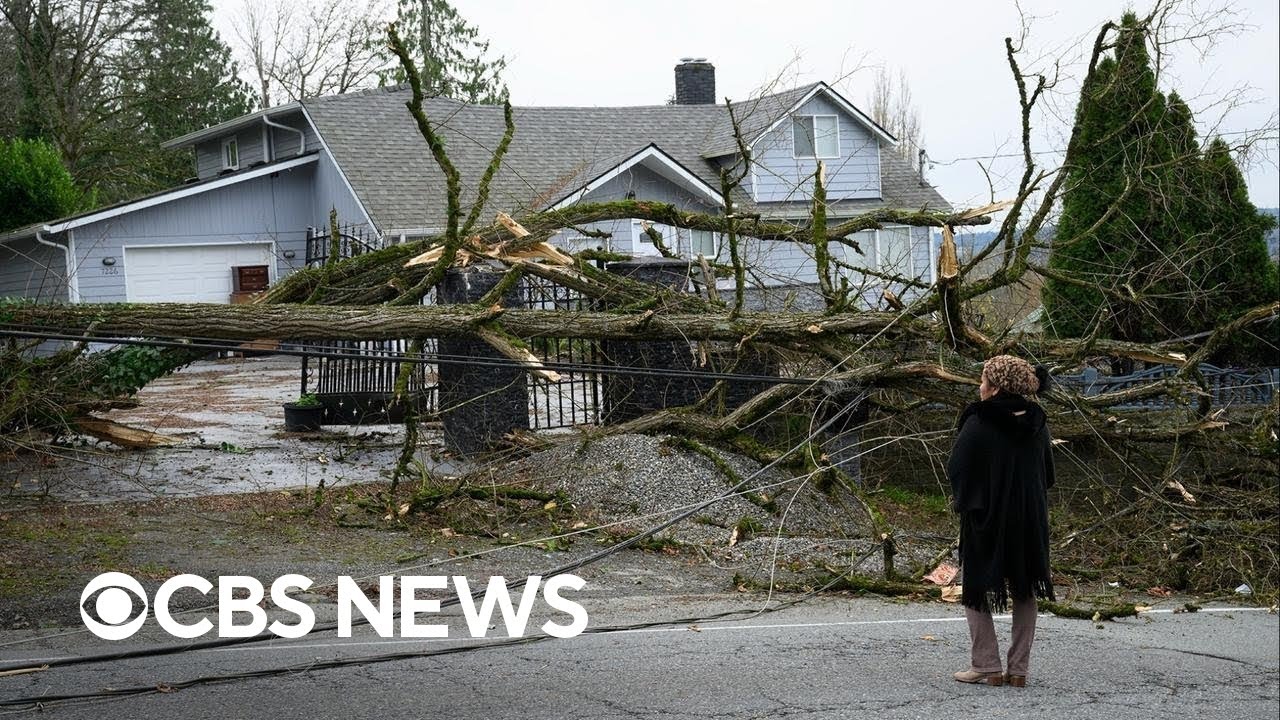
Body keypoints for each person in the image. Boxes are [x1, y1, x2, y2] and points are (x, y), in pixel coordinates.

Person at [947, 355, 1055, 688]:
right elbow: (1047, 474)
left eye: (982, 381)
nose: (979, 387)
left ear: (994, 388)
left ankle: (987, 664)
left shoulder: (979, 421)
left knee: (976, 588)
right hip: (1029, 519)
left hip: (988, 517)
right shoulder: (1038, 421)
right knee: (1025, 588)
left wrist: (969, 502)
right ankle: (1018, 669)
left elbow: (958, 468)